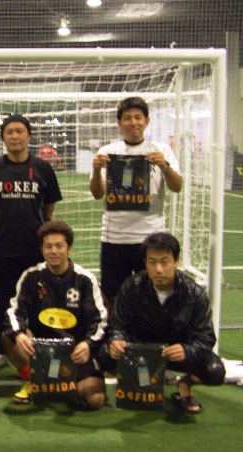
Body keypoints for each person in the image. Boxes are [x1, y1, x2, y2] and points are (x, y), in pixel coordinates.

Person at [0, 114, 63, 372]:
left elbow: (49, 206)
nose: (14, 136)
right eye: (9, 132)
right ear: (3, 137)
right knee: (2, 301)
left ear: (29, 136)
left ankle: (39, 350)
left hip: (35, 250)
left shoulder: (42, 168)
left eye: (19, 131)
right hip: (2, 250)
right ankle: (1, 350)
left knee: (37, 300)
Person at [106, 232, 225, 414]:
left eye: (164, 262)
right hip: (141, 351)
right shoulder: (131, 287)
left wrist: (186, 350)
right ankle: (141, 379)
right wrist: (117, 339)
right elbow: (119, 325)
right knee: (105, 355)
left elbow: (206, 338)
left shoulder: (194, 293)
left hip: (177, 354)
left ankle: (185, 383)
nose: (158, 269)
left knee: (215, 372)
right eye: (152, 262)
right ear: (145, 262)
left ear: (176, 261)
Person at [89, 96, 183, 321]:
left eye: (138, 118)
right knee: (113, 295)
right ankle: (115, 336)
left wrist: (165, 166)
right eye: (128, 118)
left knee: (151, 294)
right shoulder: (108, 151)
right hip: (114, 237)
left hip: (150, 237)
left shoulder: (161, 151)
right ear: (119, 123)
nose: (133, 122)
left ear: (147, 121)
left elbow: (177, 187)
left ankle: (149, 336)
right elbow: (97, 193)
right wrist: (96, 170)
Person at [2, 221, 107, 409]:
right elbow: (14, 311)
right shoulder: (31, 276)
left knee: (95, 399)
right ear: (41, 249)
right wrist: (19, 334)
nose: (54, 251)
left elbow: (100, 321)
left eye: (59, 246)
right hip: (41, 352)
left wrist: (87, 344)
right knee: (8, 336)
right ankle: (35, 381)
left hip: (74, 353)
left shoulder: (85, 280)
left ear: (69, 248)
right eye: (48, 246)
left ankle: (59, 382)